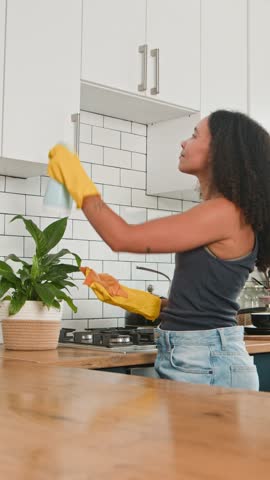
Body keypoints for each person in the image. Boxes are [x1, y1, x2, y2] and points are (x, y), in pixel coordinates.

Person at [48, 110, 270, 391]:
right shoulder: (222, 212)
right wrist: (140, 301)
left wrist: (77, 181)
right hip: (199, 357)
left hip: (207, 362)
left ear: (221, 150)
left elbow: (122, 238)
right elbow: (204, 305)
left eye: (194, 135)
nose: (183, 143)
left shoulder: (224, 212)